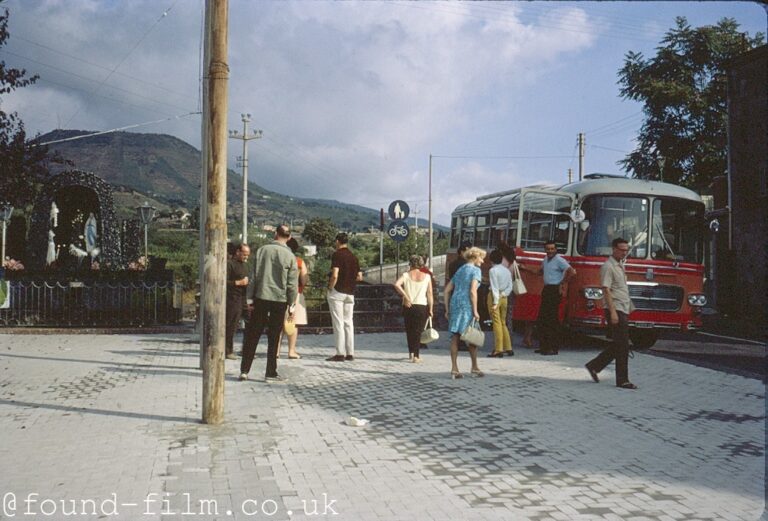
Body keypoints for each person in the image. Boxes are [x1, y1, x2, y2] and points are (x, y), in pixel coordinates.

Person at [239, 225, 298, 382]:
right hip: (279, 300)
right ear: (289, 237)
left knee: (253, 334)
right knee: (274, 337)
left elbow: (253, 276)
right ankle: (270, 372)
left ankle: (244, 370)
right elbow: (292, 285)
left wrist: (249, 299)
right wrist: (292, 305)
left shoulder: (262, 250)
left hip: (261, 297)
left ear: (275, 234)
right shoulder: (290, 256)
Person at [585, 238, 638, 389]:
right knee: (623, 345)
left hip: (623, 307)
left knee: (619, 344)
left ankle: (594, 366)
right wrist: (613, 313)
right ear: (613, 249)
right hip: (615, 308)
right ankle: (622, 380)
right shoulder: (608, 267)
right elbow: (606, 289)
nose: (624, 252)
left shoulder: (620, 265)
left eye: (626, 250)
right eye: (621, 249)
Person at [444, 247, 486, 379]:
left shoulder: (460, 270)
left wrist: (447, 309)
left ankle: (454, 369)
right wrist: (475, 311)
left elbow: (446, 290)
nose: (483, 261)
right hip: (467, 304)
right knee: (471, 336)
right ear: (475, 257)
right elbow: (473, 291)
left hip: (455, 303)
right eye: (481, 258)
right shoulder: (476, 271)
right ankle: (474, 367)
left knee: (455, 336)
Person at [532, 240, 576, 355]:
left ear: (555, 249)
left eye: (552, 249)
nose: (550, 251)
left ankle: (553, 347)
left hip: (555, 289)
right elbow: (540, 272)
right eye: (548, 249)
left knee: (552, 319)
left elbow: (572, 271)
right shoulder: (545, 260)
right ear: (545, 250)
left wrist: (563, 283)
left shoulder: (559, 260)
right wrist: (524, 269)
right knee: (543, 319)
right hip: (547, 289)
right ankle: (544, 346)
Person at [326, 232, 362, 362]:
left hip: (338, 291)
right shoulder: (354, 257)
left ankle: (340, 353)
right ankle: (350, 352)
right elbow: (359, 277)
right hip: (350, 293)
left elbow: (335, 274)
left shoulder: (337, 255)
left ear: (337, 241)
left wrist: (331, 287)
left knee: (338, 323)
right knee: (348, 323)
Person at [393, 255, 434, 362]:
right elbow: (429, 294)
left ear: (410, 263)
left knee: (409, 330)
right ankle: (416, 356)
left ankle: (411, 353)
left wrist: (405, 296)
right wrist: (431, 309)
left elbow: (397, 285)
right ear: (421, 264)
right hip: (421, 306)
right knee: (418, 331)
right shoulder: (427, 276)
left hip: (408, 305)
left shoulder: (406, 275)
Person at [279, 237, 309, 360]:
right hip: (295, 296)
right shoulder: (299, 262)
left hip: (279, 295)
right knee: (292, 322)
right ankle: (291, 351)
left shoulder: (280, 260)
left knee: (278, 323)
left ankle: (276, 352)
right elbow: (304, 280)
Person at [225, 243, 250, 360]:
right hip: (232, 299)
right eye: (244, 254)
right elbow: (223, 282)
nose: (246, 257)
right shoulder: (229, 265)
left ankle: (247, 348)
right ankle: (228, 350)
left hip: (242, 298)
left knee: (251, 322)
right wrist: (237, 283)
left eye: (248, 255)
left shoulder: (244, 265)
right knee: (231, 326)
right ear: (237, 252)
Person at [487, 249, 513, 357]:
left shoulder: (493, 270)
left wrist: (495, 302)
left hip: (494, 297)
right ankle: (508, 347)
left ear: (491, 259)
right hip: (504, 297)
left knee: (496, 322)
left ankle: (498, 349)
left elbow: (494, 287)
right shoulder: (506, 270)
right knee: (503, 322)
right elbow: (510, 286)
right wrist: (504, 295)